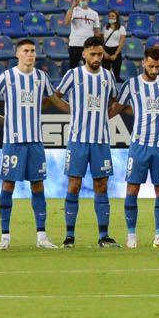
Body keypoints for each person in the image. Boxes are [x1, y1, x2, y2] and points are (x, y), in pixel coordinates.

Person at [0, 39, 56, 248]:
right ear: (17, 54)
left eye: (33, 51)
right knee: (8, 184)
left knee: (38, 185)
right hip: (13, 141)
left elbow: (53, 99)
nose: (30, 54)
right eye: (26, 51)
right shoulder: (6, 77)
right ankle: (5, 237)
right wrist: (0, 119)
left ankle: (41, 237)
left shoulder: (41, 77)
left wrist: (75, 111)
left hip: (35, 141)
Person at [113, 47, 159, 249]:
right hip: (139, 145)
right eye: (151, 66)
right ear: (143, 63)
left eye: (157, 66)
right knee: (132, 188)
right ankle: (131, 236)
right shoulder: (132, 85)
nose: (154, 70)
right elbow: (118, 107)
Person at [55, 37, 119, 247]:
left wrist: (103, 116)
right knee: (74, 185)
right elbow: (56, 96)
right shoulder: (73, 75)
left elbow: (114, 101)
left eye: (100, 54)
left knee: (101, 185)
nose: (96, 58)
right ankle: (69, 237)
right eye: (92, 54)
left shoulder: (108, 77)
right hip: (78, 140)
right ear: (84, 54)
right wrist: (73, 113)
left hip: (101, 141)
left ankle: (104, 236)